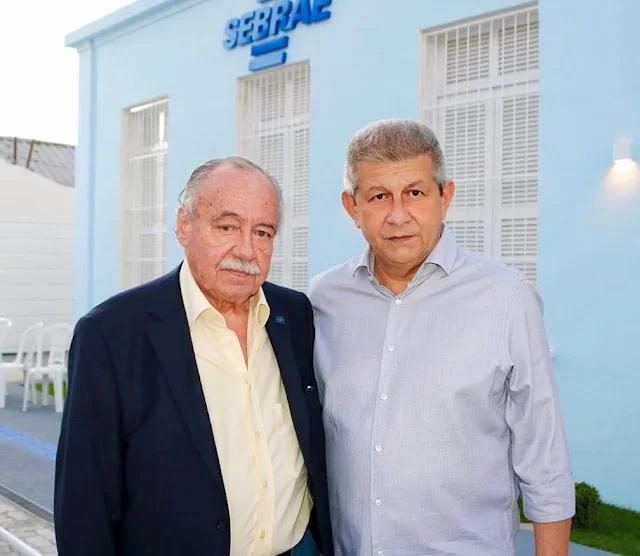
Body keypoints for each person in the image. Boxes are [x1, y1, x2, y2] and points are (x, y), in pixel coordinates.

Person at [309, 120, 575, 556]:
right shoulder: (323, 299)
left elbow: (545, 462)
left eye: (415, 192)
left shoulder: (507, 299)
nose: (398, 215)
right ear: (352, 207)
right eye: (379, 196)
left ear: (444, 197)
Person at [55, 157, 333, 556]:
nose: (246, 250)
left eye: (262, 232)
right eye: (227, 227)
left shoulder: (294, 315)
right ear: (183, 225)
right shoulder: (111, 333)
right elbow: (84, 502)